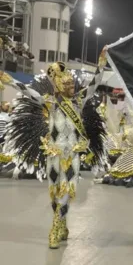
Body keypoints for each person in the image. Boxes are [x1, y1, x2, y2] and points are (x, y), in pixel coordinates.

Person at [0, 48, 108, 249]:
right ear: (58, 85)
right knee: (54, 193)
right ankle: (63, 223)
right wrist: (8, 80)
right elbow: (26, 90)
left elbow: (95, 83)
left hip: (72, 153)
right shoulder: (49, 102)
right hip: (53, 153)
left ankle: (55, 227)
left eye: (71, 83)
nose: (71, 86)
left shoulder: (79, 100)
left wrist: (101, 63)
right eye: (66, 83)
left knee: (66, 189)